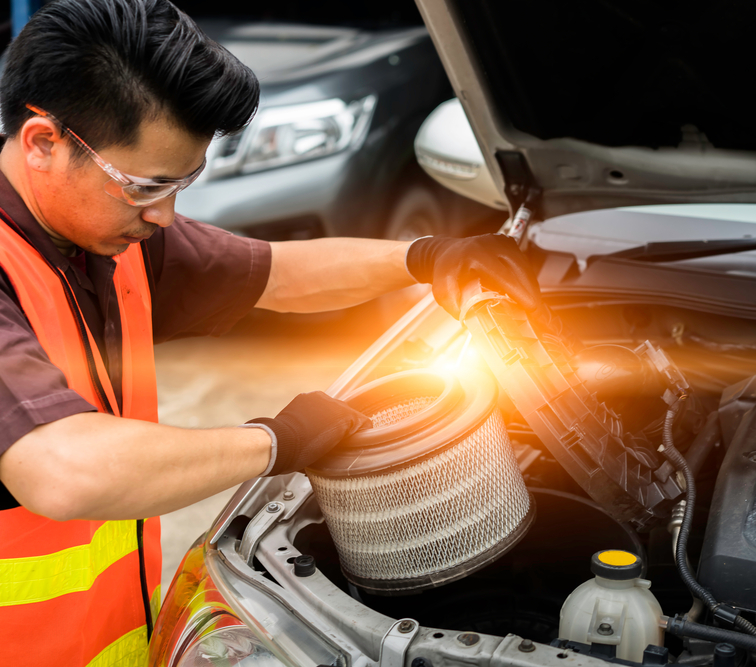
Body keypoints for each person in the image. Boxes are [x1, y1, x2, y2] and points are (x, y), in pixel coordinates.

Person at [0, 1, 542, 665]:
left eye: (186, 182)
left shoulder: (104, 239)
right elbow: (62, 471)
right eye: (147, 185)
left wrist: (425, 258)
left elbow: (279, 273)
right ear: (43, 143)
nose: (167, 215)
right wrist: (274, 440)